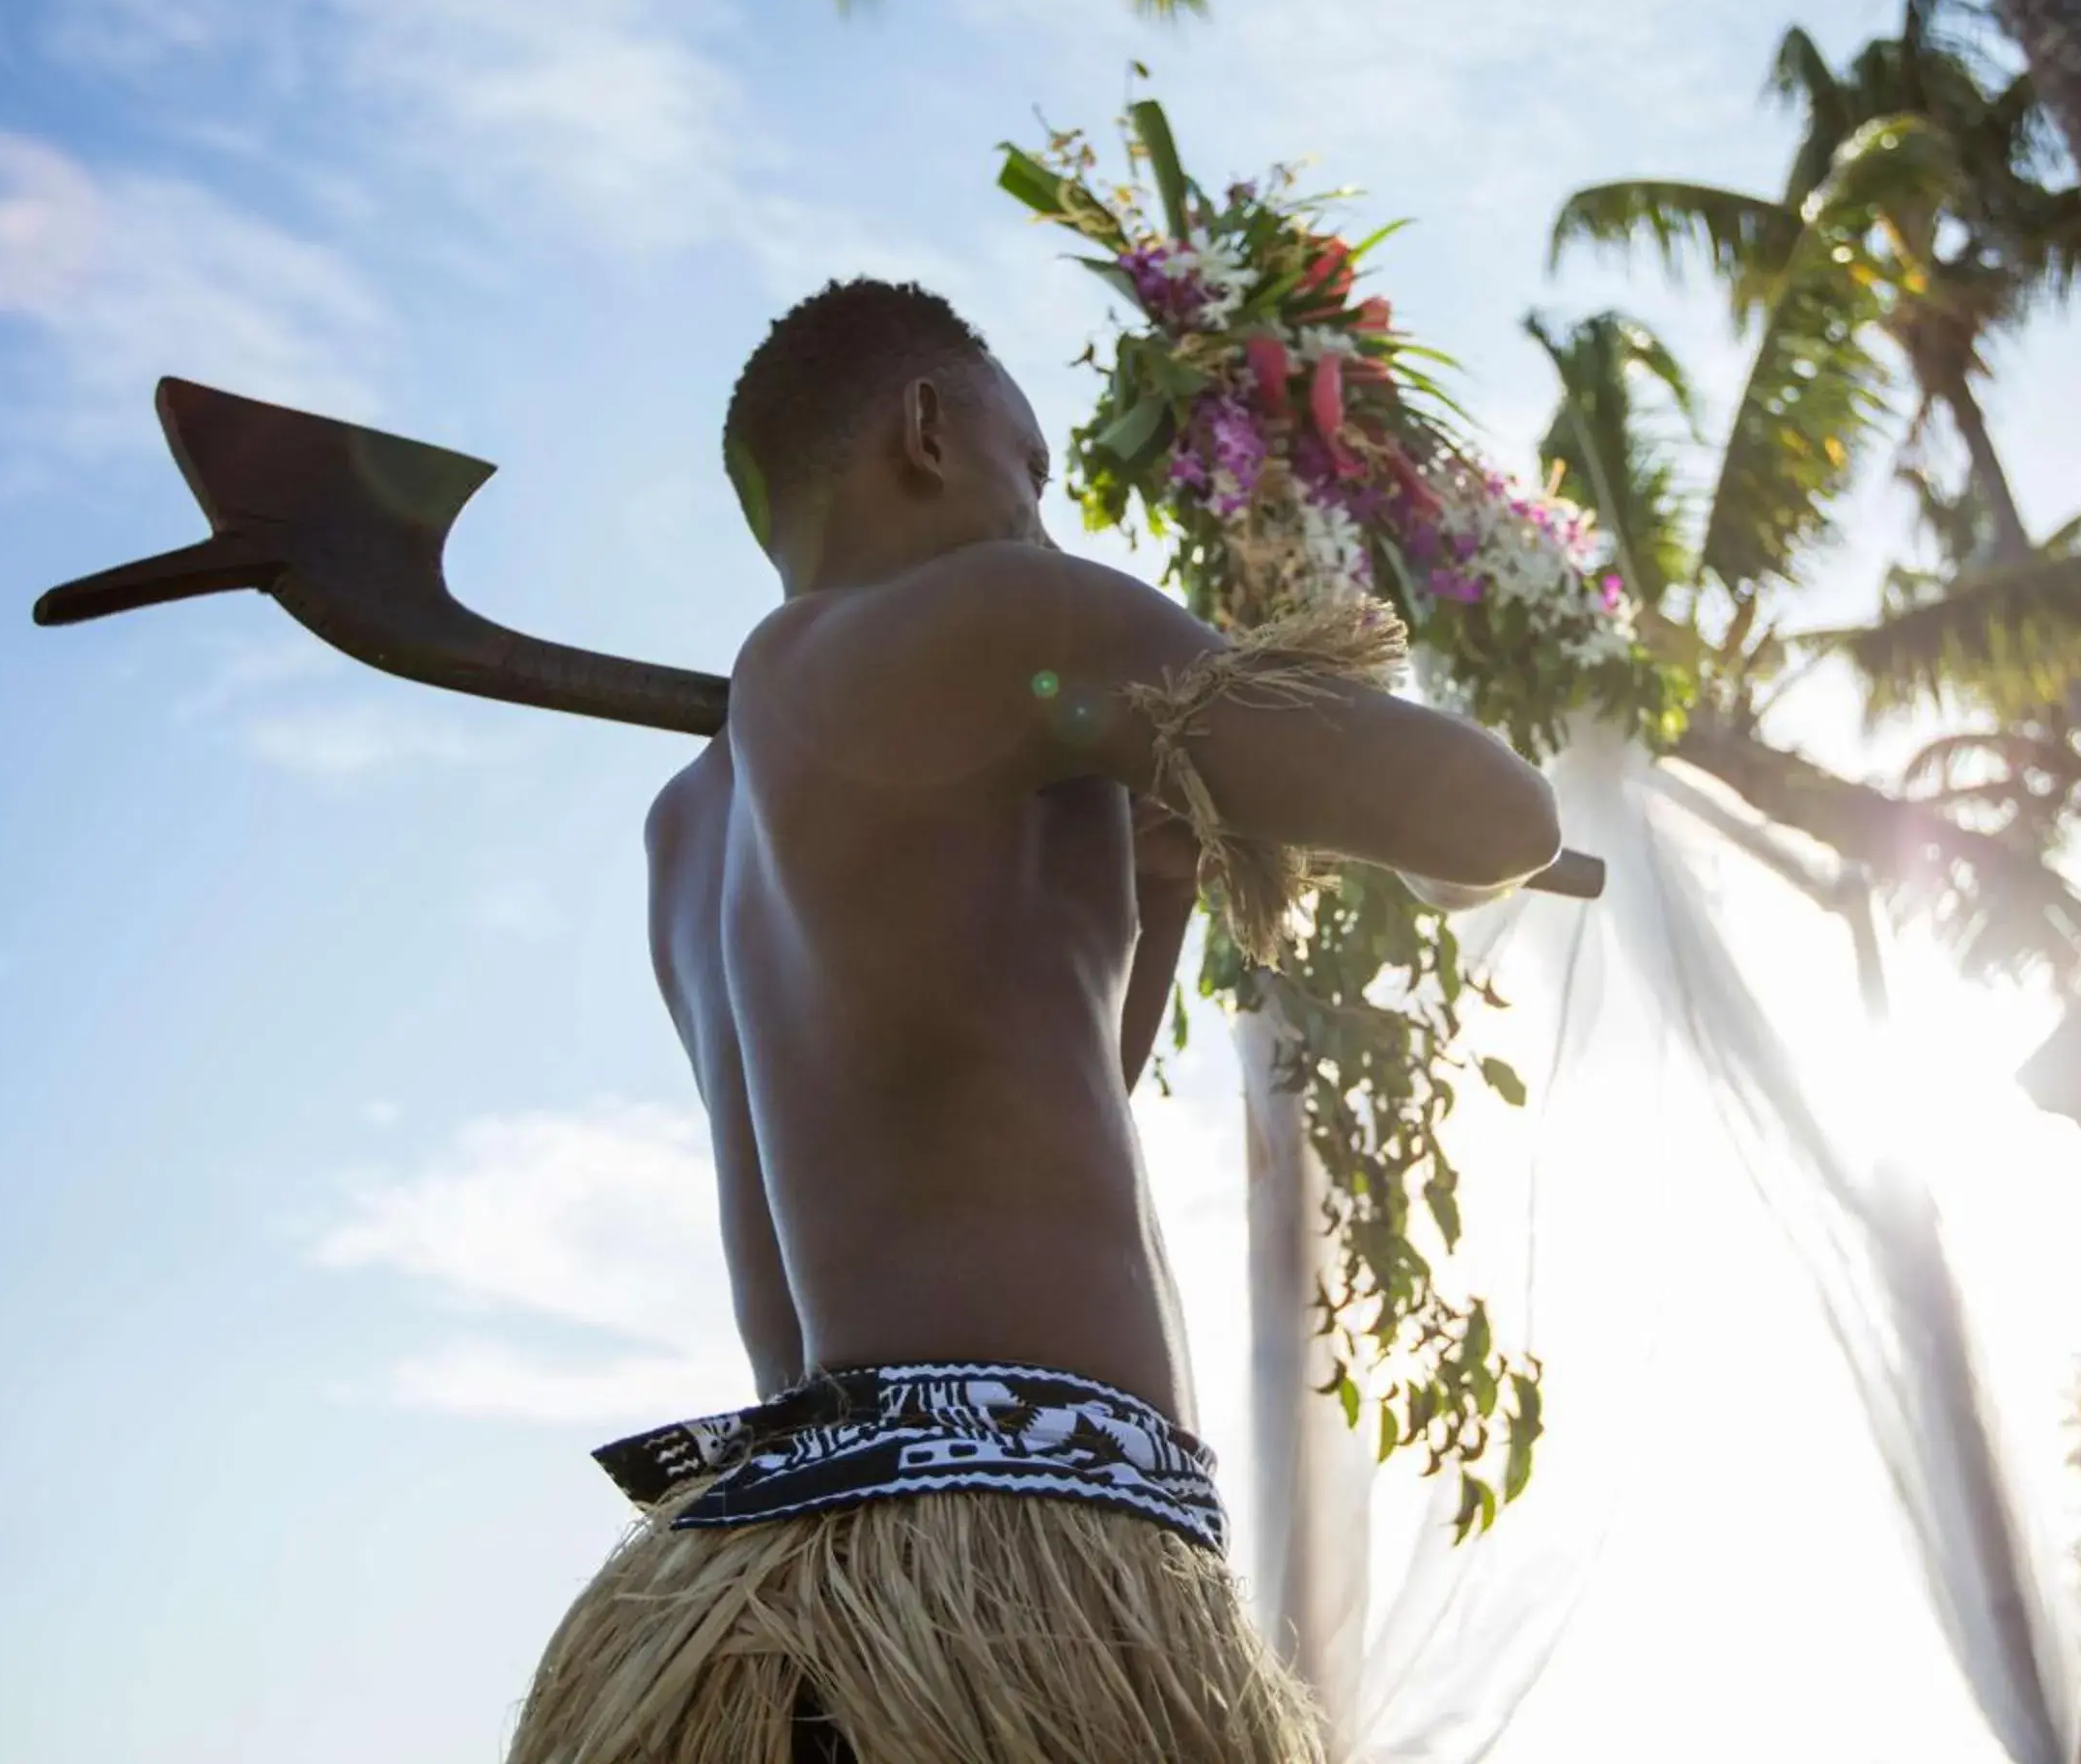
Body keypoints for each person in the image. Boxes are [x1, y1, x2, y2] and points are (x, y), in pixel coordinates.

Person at [504, 279, 1565, 1764]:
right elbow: (1495, 816)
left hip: (770, 1611)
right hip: (1019, 1590)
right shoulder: (1007, 618)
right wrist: (1464, 852)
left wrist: (1157, 884)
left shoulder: (691, 820)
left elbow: (1012, 1112)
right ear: (929, 430)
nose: (1045, 524)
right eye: (1036, 473)